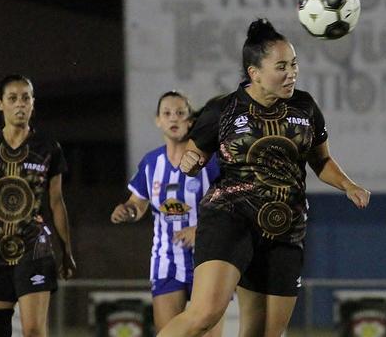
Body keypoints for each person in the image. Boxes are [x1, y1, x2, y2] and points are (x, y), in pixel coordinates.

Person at [158, 19, 371, 337]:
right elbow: (192, 159)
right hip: (230, 218)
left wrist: (347, 184)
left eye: (294, 64)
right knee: (205, 313)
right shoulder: (223, 109)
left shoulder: (305, 106)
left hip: (285, 227)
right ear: (254, 72)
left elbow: (321, 160)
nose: (291, 73)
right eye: (281, 66)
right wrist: (190, 164)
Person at [0, 74, 76, 337]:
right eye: (13, 98)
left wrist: (66, 250)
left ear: (33, 103)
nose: (20, 104)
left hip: (35, 249)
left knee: (34, 331)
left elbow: (57, 203)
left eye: (26, 98)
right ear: (0, 104)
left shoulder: (48, 147)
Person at [110, 91, 224, 335]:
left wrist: (201, 229)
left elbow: (228, 203)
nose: (174, 118)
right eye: (167, 113)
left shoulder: (209, 161)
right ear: (158, 121)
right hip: (167, 259)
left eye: (180, 113)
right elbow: (138, 203)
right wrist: (127, 211)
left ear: (191, 121)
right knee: (168, 332)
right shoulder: (152, 163)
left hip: (208, 258)